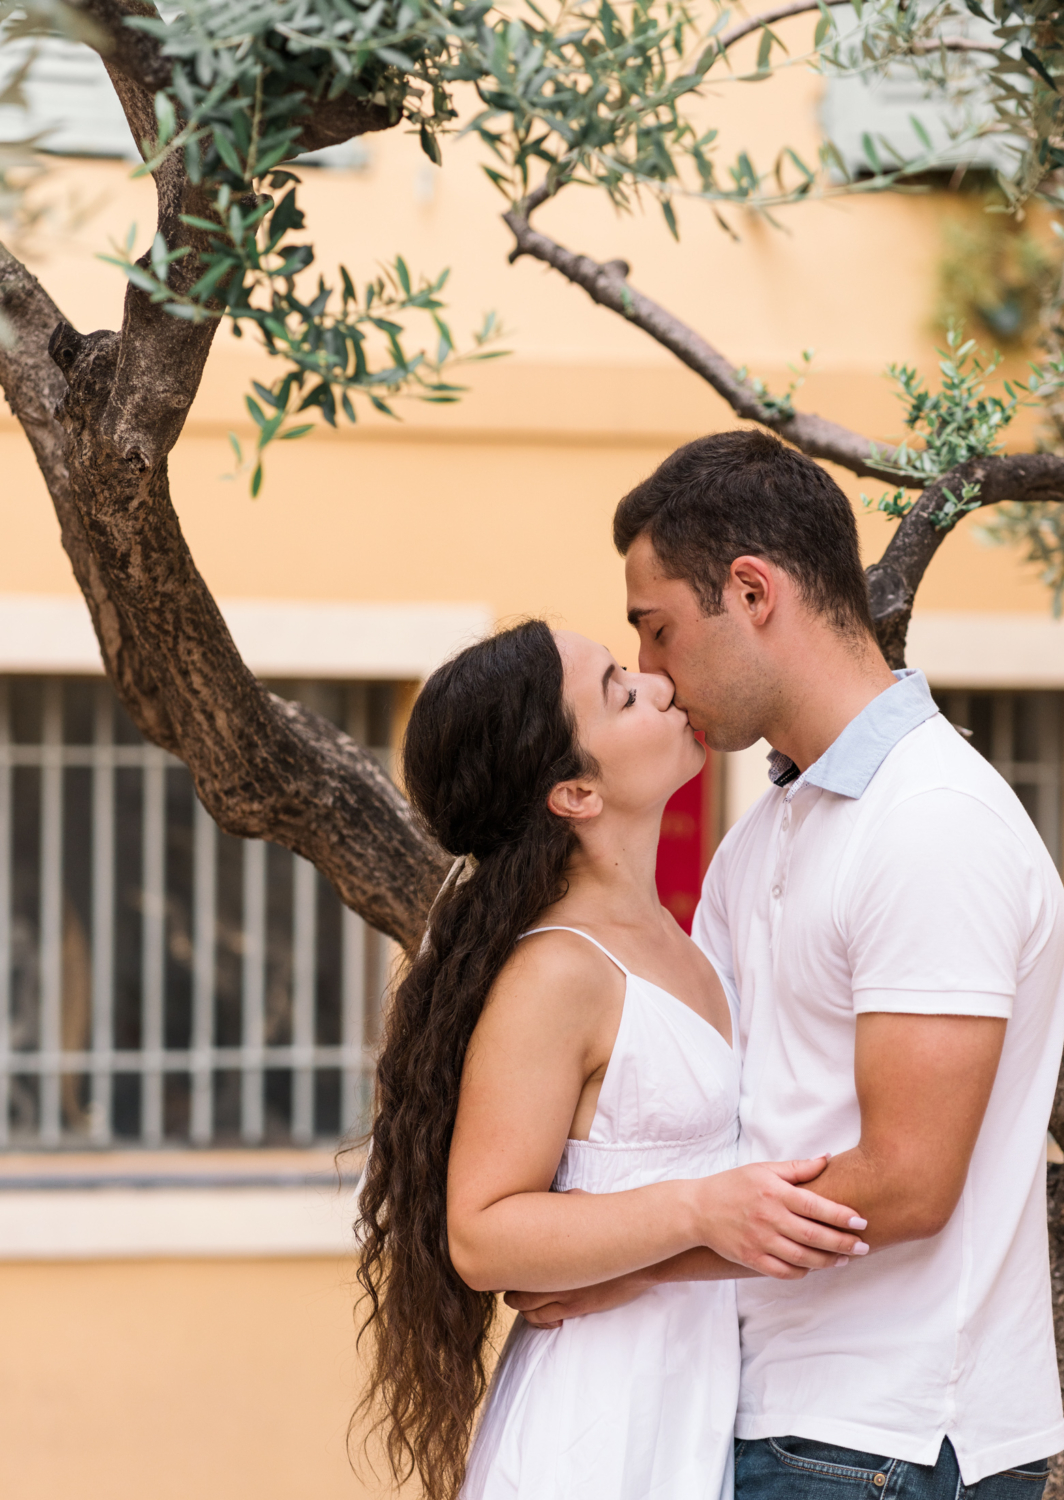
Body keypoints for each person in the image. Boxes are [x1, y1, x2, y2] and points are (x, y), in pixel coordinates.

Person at [507, 429, 1064, 1498]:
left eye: (661, 632)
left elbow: (907, 1180)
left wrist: (625, 1264)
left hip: (887, 1442)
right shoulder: (760, 840)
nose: (659, 681)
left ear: (753, 591)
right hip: (769, 1417)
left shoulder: (932, 820)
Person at [354, 616, 869, 1500]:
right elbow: (481, 1233)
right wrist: (698, 1210)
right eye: (620, 691)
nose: (660, 684)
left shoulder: (683, 935)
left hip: (701, 1401)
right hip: (600, 1424)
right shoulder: (558, 970)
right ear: (574, 794)